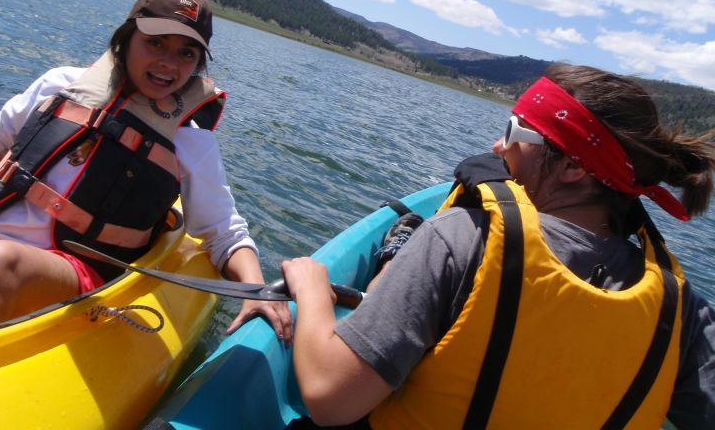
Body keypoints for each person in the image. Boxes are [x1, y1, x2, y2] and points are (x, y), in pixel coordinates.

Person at [282, 63, 715, 429]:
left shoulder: (460, 239)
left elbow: (329, 397)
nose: (497, 145)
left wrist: (312, 288)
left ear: (571, 166)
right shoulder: (681, 312)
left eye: (515, 130)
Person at [0, 0, 292, 342]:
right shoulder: (60, 84)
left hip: (69, 268)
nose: (168, 63)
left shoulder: (192, 141)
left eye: (186, 53)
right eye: (155, 43)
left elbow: (224, 231)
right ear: (127, 38)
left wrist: (255, 290)